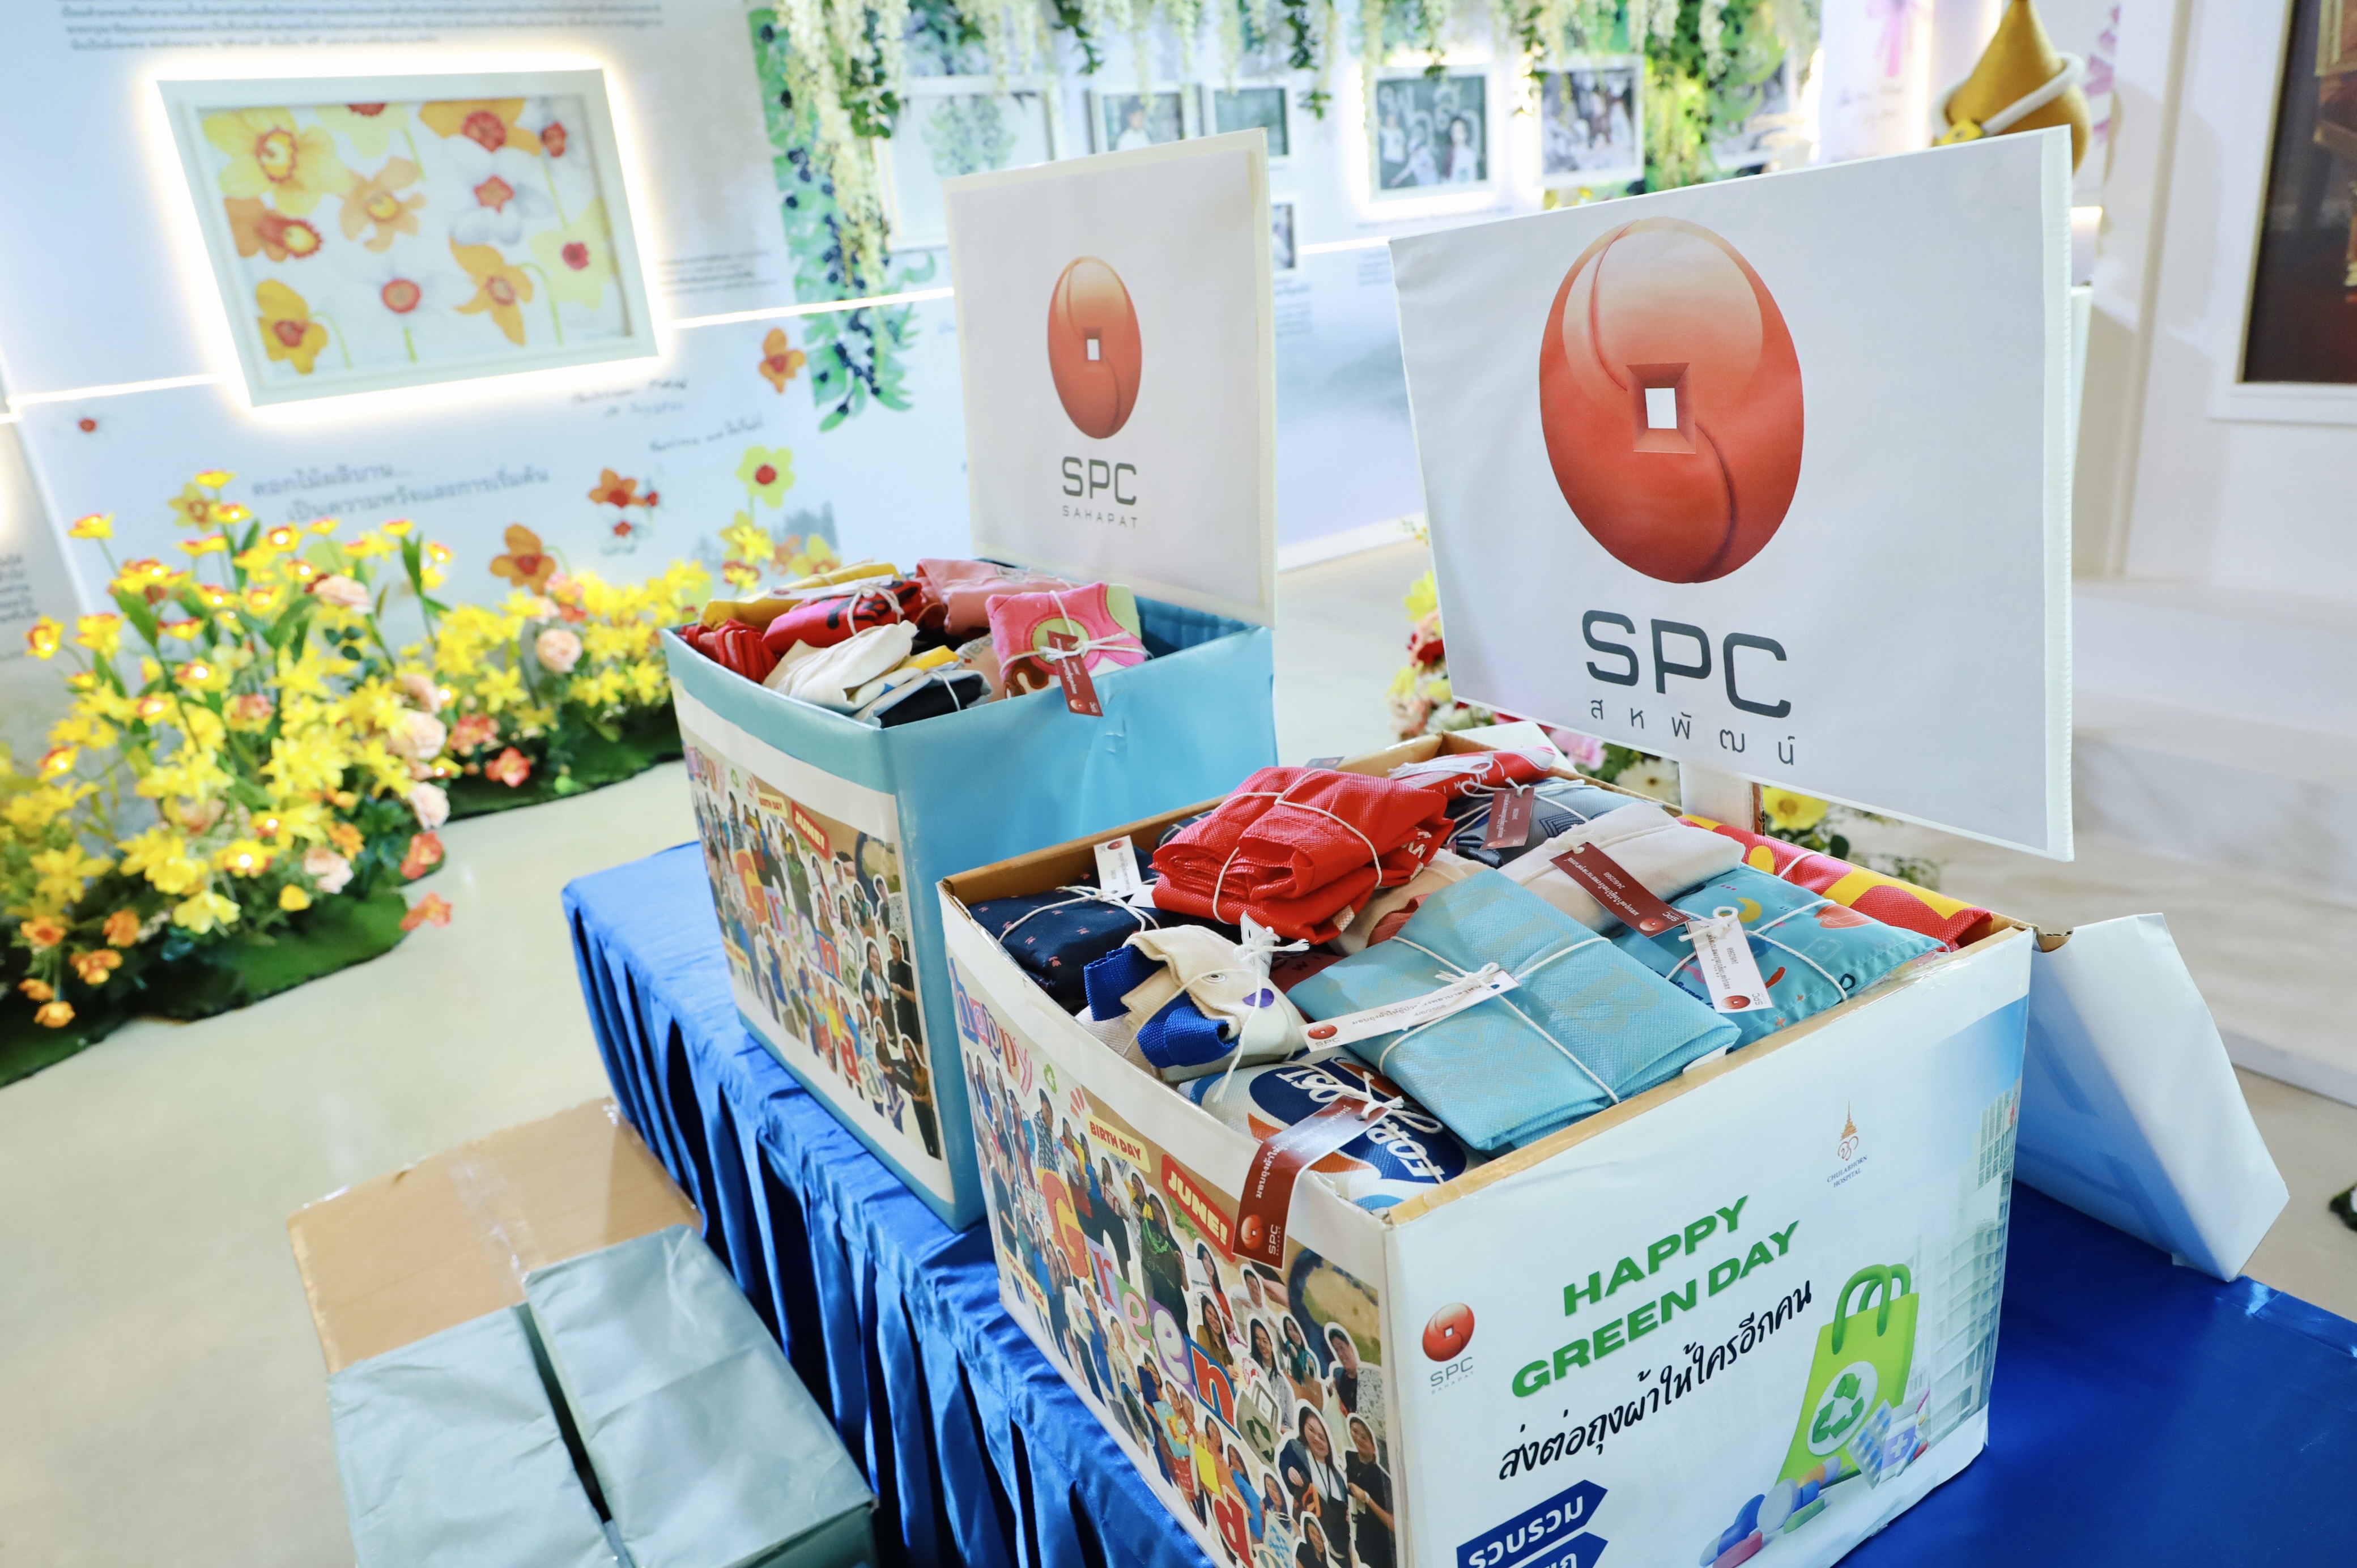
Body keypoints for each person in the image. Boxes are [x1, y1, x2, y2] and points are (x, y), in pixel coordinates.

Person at [1345, 1414, 1395, 1568]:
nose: (1358, 1439)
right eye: (1355, 1431)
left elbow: (1393, 1524)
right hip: (1356, 1539)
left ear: (1374, 1447)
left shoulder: (1382, 1479)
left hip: (1378, 1548)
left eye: (1364, 1437)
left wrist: (1367, 1498)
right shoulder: (1348, 1458)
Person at [1444, 115, 1479, 183]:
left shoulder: (1469, 155)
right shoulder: (1448, 155)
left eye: (1459, 131)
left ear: (1465, 133)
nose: (1456, 134)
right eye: (1454, 131)